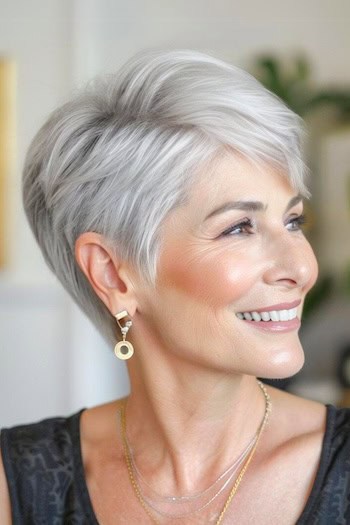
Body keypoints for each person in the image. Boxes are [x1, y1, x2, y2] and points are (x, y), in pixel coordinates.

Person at [0, 49, 349, 525]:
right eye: (239, 228)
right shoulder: (15, 481)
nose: (301, 267)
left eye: (292, 220)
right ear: (112, 274)